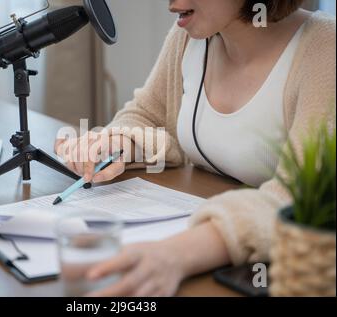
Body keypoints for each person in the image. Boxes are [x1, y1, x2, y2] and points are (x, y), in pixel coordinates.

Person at [54, 0, 336, 296]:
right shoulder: (190, 34)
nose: (171, 3)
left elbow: (297, 199)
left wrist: (178, 254)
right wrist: (120, 143)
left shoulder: (325, 48)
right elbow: (148, 115)